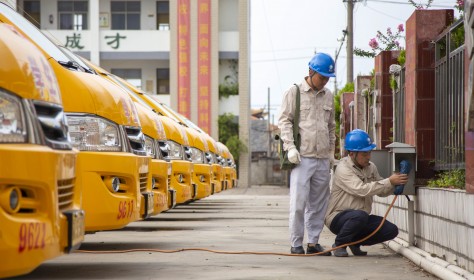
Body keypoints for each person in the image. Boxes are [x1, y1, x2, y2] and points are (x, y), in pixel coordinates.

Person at [278, 53, 336, 255]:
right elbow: (284, 121)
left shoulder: (328, 95)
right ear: (311, 72)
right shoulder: (294, 92)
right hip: (302, 157)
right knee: (298, 202)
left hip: (321, 158)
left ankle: (313, 242)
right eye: (322, 77)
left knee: (319, 203)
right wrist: (290, 147)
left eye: (328, 78)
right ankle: (296, 243)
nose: (325, 81)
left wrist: (330, 152)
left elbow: (331, 127)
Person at [325, 129, 409, 257]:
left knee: (390, 230)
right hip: (338, 218)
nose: (368, 157)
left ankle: (353, 242)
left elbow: (381, 191)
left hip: (360, 218)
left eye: (369, 153)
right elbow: (361, 190)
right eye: (364, 154)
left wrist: (394, 184)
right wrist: (388, 181)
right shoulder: (343, 168)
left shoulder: (371, 167)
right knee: (360, 216)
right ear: (352, 153)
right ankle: (339, 244)